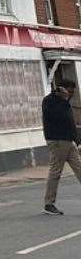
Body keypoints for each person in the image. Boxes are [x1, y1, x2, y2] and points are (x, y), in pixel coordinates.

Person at [42, 77, 81, 215]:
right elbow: (58, 117)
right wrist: (63, 99)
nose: (71, 94)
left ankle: (49, 204)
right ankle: (49, 204)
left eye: (72, 92)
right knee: (56, 172)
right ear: (61, 89)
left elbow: (69, 121)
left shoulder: (65, 101)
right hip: (58, 141)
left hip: (69, 141)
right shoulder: (49, 101)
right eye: (69, 91)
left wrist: (76, 140)